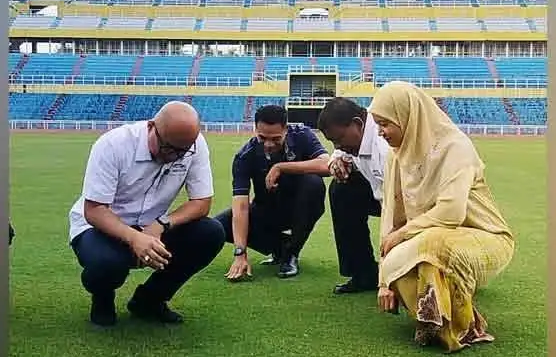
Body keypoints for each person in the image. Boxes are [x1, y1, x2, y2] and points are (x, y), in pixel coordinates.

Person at [369, 81, 515, 351]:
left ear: (407, 116)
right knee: (413, 253)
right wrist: (384, 280)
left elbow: (451, 213)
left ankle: (461, 327)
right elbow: (391, 219)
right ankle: (438, 325)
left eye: (385, 124)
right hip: (429, 239)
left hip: (486, 239)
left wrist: (402, 236)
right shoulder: (396, 157)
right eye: (377, 124)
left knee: (428, 244)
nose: (380, 133)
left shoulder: (455, 147)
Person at [66, 101, 225, 327]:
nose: (176, 157)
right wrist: (134, 238)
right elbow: (94, 210)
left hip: (153, 227)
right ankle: (102, 296)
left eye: (183, 151)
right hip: (100, 227)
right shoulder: (114, 144)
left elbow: (201, 202)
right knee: (106, 264)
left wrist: (162, 224)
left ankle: (149, 300)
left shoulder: (193, 145)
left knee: (210, 232)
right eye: (169, 149)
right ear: (151, 127)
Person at [214, 105, 329, 280]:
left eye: (275, 138)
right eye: (262, 137)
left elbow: (326, 165)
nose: (268, 144)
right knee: (218, 226)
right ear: (255, 130)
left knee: (313, 183)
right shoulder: (245, 156)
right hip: (266, 211)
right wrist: (240, 253)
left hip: (299, 208)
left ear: (286, 129)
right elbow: (241, 206)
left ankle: (291, 253)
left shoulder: (302, 135)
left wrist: (281, 167)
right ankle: (281, 248)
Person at [316, 97, 388, 295]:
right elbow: (339, 154)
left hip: (415, 201)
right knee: (342, 189)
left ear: (357, 123)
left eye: (339, 140)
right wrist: (336, 160)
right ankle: (363, 273)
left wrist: (389, 278)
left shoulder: (384, 147)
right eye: (333, 142)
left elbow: (396, 210)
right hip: (383, 192)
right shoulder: (358, 134)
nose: (338, 146)